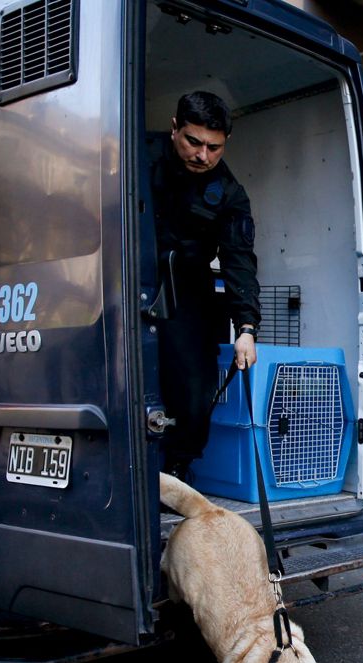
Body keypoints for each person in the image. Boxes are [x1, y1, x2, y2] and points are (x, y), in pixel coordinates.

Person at [151, 91, 261, 480]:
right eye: (193, 142)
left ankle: (176, 471)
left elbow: (238, 260)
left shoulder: (229, 194)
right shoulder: (136, 155)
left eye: (214, 147)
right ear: (174, 127)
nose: (203, 155)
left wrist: (246, 327)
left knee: (194, 391)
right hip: (128, 276)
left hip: (188, 287)